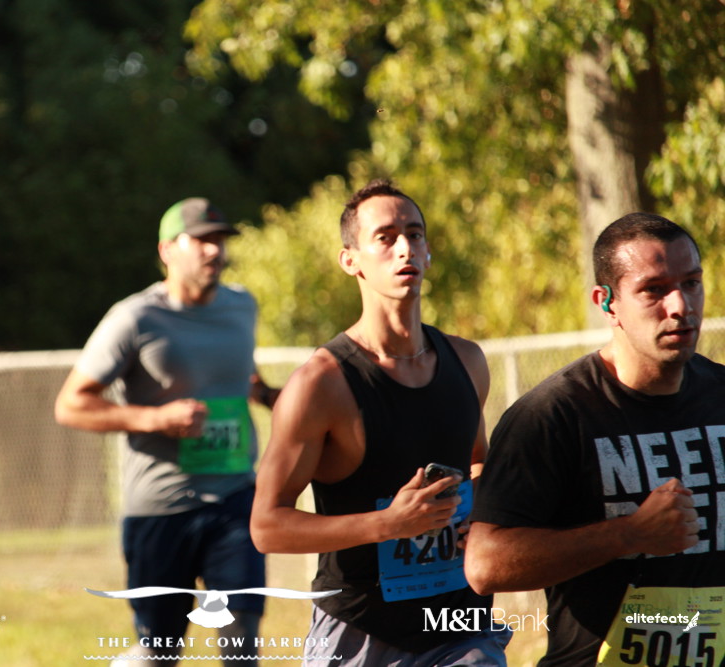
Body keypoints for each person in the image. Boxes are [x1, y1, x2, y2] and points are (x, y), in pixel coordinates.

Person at [250, 178, 509, 665]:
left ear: (428, 252)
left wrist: (480, 512)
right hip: (361, 628)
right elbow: (267, 526)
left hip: (460, 626)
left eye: (414, 234)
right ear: (351, 260)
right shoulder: (321, 384)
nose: (404, 248)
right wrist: (388, 524)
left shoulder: (467, 361)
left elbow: (478, 463)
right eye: (386, 238)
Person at [465, 212, 724, 666]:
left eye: (691, 283)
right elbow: (485, 565)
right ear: (607, 303)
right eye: (654, 290)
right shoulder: (552, 415)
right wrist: (629, 534)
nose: (680, 305)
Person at [55, 197, 278, 666]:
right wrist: (155, 419)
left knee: (242, 645)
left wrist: (273, 396)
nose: (215, 250)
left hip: (235, 498)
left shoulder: (243, 306)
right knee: (160, 653)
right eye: (201, 240)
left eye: (220, 240)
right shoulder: (135, 318)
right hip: (161, 507)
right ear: (167, 250)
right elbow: (71, 405)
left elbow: (241, 375)